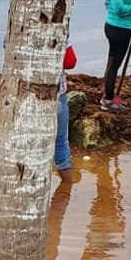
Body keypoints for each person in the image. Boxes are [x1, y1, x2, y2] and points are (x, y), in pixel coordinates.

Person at [54, 42, 77, 183]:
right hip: (56, 94)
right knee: (61, 143)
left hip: (23, 97)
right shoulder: (58, 26)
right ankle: (67, 190)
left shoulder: (18, 25)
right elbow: (70, 61)